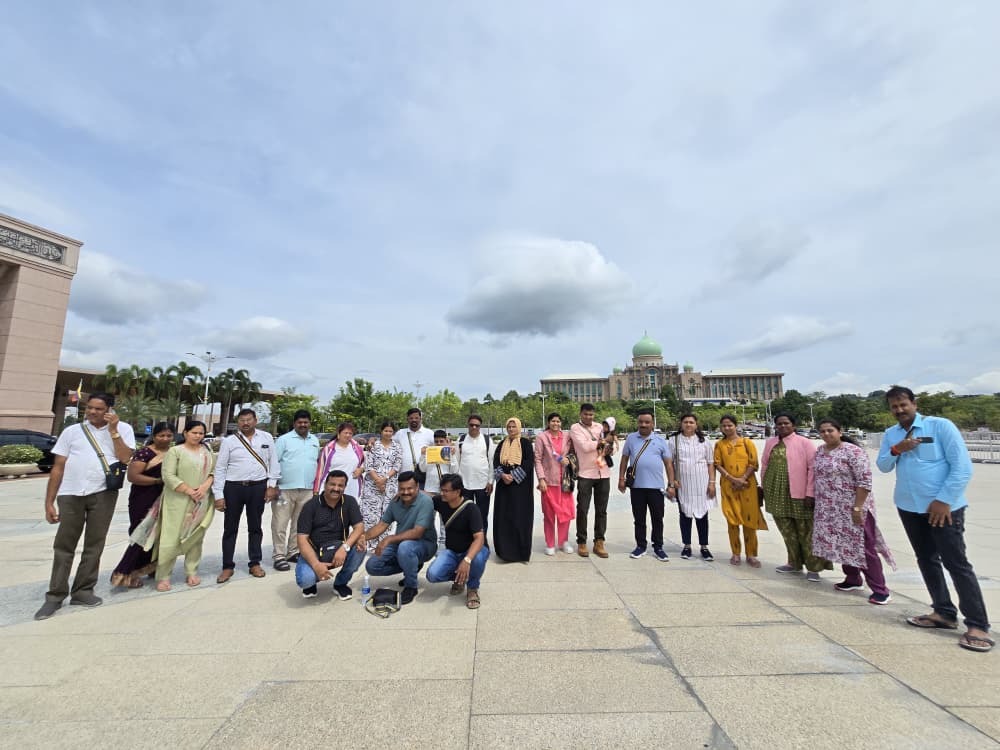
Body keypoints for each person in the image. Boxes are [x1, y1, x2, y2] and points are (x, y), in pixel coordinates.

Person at [877, 386, 992, 653]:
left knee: (956, 563)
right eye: (894, 406)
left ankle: (977, 624)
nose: (899, 410)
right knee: (926, 559)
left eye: (903, 404)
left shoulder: (940, 426)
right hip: (908, 506)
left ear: (914, 403)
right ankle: (943, 612)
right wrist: (897, 449)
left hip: (943, 508)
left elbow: (961, 467)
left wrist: (944, 500)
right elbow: (883, 466)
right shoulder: (891, 434)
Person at [35, 393, 137, 620]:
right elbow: (58, 467)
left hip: (102, 493)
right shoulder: (72, 431)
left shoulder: (124, 429)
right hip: (71, 494)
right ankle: (55, 595)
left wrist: (114, 431)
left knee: (94, 544)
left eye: (98, 409)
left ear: (109, 410)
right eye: (89, 408)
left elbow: (125, 458)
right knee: (64, 546)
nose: (92, 412)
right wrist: (49, 501)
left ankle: (83, 590)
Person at [813, 418, 895, 604]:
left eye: (830, 430)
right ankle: (852, 579)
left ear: (839, 431)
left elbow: (864, 481)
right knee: (843, 544)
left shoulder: (853, 452)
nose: (826, 434)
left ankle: (880, 589)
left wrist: (858, 507)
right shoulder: (820, 451)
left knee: (864, 547)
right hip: (830, 509)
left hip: (854, 507)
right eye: (822, 431)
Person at [212, 408, 280, 584]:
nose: (246, 423)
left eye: (249, 419)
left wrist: (271, 486)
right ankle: (227, 566)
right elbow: (220, 468)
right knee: (230, 529)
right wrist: (218, 494)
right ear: (238, 422)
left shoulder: (266, 438)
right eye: (242, 420)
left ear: (255, 420)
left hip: (258, 487)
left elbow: (274, 463)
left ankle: (254, 563)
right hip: (233, 488)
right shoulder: (229, 441)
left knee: (255, 527)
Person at [762, 413, 830, 582]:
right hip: (776, 494)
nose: (782, 426)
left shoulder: (805, 443)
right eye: (779, 424)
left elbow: (813, 469)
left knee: (806, 531)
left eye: (786, 423)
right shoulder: (770, 442)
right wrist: (763, 487)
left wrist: (810, 493)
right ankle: (793, 562)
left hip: (800, 494)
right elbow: (764, 465)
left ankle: (814, 567)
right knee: (787, 531)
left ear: (793, 425)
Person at [111, 422, 174, 589]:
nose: (165, 439)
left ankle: (151, 567)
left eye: (168, 435)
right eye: (161, 435)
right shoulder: (144, 453)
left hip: (165, 498)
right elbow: (133, 476)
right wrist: (157, 481)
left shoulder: (173, 452)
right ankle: (125, 572)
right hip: (144, 497)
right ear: (154, 436)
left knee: (159, 534)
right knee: (141, 533)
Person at [156, 421, 216, 590]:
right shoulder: (175, 451)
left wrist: (204, 487)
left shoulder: (207, 452)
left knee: (195, 537)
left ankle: (191, 571)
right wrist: (189, 490)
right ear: (185, 433)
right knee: (170, 536)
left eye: (201, 433)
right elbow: (168, 476)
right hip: (177, 500)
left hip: (201, 500)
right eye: (194, 432)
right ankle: (164, 576)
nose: (198, 436)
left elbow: (214, 472)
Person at [363, 471, 438, 605]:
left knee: (405, 548)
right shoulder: (396, 501)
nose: (405, 492)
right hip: (400, 543)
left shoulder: (425, 502)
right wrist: (362, 538)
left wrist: (389, 539)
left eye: (410, 488)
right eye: (402, 489)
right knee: (372, 566)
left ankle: (411, 586)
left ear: (417, 487)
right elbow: (382, 525)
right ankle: (411, 567)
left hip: (425, 544)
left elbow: (417, 533)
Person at [295, 470, 367, 600]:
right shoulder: (311, 506)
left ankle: (340, 584)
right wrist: (316, 565)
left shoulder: (349, 502)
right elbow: (302, 539)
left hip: (339, 549)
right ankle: (311, 583)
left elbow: (359, 527)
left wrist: (344, 548)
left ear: (345, 487)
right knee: (306, 579)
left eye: (340, 486)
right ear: (325, 485)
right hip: (315, 551)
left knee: (360, 548)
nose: (336, 488)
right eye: (332, 484)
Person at [618, 409, 675, 561]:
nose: (643, 425)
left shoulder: (661, 441)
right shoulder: (631, 438)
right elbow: (624, 459)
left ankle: (658, 547)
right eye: (641, 422)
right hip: (637, 487)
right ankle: (640, 546)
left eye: (647, 422)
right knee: (639, 518)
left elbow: (669, 465)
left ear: (652, 423)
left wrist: (671, 485)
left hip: (656, 487)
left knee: (657, 518)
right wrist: (621, 479)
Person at [426, 474, 489, 609]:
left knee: (476, 559)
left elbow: (479, 538)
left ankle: (472, 589)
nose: (442, 493)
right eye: (441, 490)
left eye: (446, 491)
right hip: (452, 552)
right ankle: (459, 578)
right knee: (432, 575)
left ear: (457, 491)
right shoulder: (441, 501)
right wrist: (405, 494)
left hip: (472, 551)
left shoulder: (471, 509)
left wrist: (467, 560)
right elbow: (426, 496)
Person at [713, 414, 767, 567]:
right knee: (732, 520)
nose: (727, 428)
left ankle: (751, 554)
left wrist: (742, 478)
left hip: (747, 486)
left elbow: (753, 463)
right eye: (724, 425)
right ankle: (735, 553)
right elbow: (717, 464)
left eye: (730, 425)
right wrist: (732, 479)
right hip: (729, 487)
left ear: (736, 426)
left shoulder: (746, 442)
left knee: (749, 521)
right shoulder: (720, 444)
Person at [272, 410, 321, 571]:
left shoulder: (314, 440)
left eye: (306, 422)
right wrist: (273, 485)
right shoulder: (283, 440)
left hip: (307, 489)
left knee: (300, 524)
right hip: (284, 488)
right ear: (294, 424)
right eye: (300, 422)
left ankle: (293, 551)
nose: (303, 425)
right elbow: (274, 463)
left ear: (310, 423)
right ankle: (278, 555)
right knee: (280, 522)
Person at [568, 403, 612, 558]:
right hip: (585, 474)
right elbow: (585, 447)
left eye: (591, 414)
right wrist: (601, 442)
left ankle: (599, 542)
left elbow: (607, 444)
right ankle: (581, 542)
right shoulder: (575, 428)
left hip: (603, 473)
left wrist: (608, 447)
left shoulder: (600, 426)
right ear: (580, 414)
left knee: (602, 510)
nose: (589, 417)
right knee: (582, 509)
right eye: (586, 414)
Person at [670, 414, 716, 561]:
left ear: (696, 425)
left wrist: (712, 483)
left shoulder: (705, 442)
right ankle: (687, 545)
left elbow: (710, 463)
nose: (688, 425)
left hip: (702, 484)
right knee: (685, 515)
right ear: (681, 424)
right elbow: (669, 464)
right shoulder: (673, 440)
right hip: (683, 484)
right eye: (685, 422)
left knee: (702, 516)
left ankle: (704, 546)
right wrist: (672, 481)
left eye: (691, 422)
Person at [492, 417, 535, 562]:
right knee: (504, 517)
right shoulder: (502, 443)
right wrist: (503, 475)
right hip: (504, 487)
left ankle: (520, 553)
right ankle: (504, 552)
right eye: (509, 427)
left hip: (520, 488)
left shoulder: (525, 443)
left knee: (519, 517)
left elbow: (529, 462)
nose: (511, 429)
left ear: (519, 427)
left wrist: (513, 475)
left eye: (513, 426)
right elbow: (496, 461)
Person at [534, 412, 576, 555]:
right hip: (548, 483)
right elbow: (537, 459)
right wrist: (541, 479)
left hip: (564, 482)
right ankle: (550, 543)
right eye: (553, 421)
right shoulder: (542, 437)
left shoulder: (567, 437)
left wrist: (569, 460)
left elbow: (573, 453)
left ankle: (563, 542)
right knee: (549, 515)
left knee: (565, 514)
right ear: (548, 422)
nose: (555, 424)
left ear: (561, 423)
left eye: (558, 421)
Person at [360, 420, 402, 552]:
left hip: (389, 485)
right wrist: (377, 480)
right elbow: (368, 465)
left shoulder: (397, 447)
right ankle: (370, 544)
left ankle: (383, 544)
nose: (388, 433)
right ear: (381, 431)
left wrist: (385, 479)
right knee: (371, 515)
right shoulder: (374, 446)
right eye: (386, 431)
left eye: (390, 431)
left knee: (386, 514)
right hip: (372, 485)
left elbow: (397, 465)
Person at [419, 429, 459, 546]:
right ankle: (429, 543)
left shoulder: (449, 452)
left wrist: (452, 456)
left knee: (445, 519)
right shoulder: (430, 451)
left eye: (441, 441)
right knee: (428, 519)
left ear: (446, 440)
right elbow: (422, 469)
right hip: (430, 490)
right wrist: (423, 455)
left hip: (445, 491)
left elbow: (454, 471)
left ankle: (444, 544)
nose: (439, 443)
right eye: (436, 441)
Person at [457, 414, 494, 534]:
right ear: (467, 425)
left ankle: (482, 544)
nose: (474, 427)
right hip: (465, 485)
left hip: (483, 485)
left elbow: (492, 462)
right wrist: (458, 482)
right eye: (471, 425)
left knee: (482, 515)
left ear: (480, 426)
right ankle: (468, 543)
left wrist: (490, 481)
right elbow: (456, 461)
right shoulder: (461, 440)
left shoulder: (487, 440)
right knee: (466, 515)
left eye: (476, 425)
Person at [313, 420, 365, 496]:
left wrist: (361, 469)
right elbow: (320, 469)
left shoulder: (357, 448)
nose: (348, 435)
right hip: (332, 488)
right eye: (345, 433)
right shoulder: (329, 449)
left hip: (352, 488)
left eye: (350, 433)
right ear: (338, 434)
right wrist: (316, 489)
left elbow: (364, 463)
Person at [394, 407, 434, 486]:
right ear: (407, 419)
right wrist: (373, 439)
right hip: (404, 476)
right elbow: (388, 442)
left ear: (420, 419)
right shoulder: (400, 433)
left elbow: (438, 447)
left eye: (416, 418)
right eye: (411, 418)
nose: (414, 420)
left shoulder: (429, 433)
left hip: (423, 476)